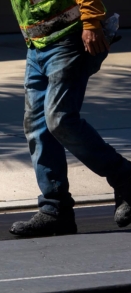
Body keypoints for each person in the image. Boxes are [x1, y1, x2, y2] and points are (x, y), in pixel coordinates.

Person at [8, 0, 131, 237]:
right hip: (37, 47)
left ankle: (125, 177)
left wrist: (91, 22)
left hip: (67, 39)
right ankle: (55, 211)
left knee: (60, 119)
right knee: (37, 127)